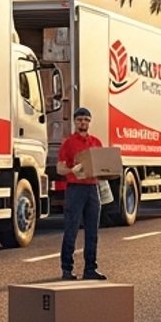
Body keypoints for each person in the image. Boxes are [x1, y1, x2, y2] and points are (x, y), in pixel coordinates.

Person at [56, 106, 106, 281]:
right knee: (72, 229)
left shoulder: (96, 142)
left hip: (93, 188)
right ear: (75, 122)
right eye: (79, 120)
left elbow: (102, 165)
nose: (83, 122)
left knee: (93, 231)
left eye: (86, 119)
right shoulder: (68, 143)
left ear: (90, 122)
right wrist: (72, 169)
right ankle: (67, 269)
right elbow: (60, 168)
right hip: (75, 189)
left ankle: (90, 268)